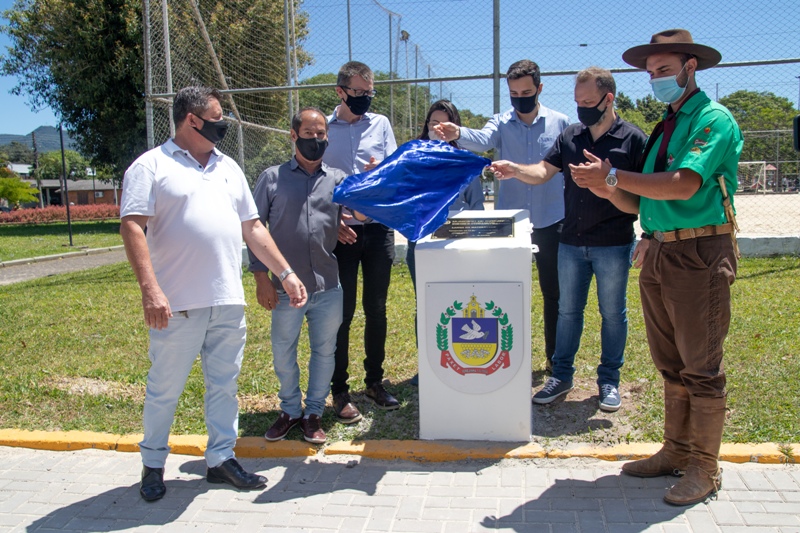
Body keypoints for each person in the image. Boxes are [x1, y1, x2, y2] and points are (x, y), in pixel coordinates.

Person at [570, 30, 743, 506]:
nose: (655, 79)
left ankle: (704, 468)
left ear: (691, 67)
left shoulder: (711, 119)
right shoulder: (666, 125)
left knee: (701, 366)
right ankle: (676, 450)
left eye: (664, 70)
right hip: (660, 250)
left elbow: (683, 184)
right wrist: (606, 189)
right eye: (650, 73)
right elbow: (639, 200)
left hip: (700, 252)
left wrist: (612, 174)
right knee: (671, 362)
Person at [120, 86, 307, 502]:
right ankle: (153, 464)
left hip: (227, 300)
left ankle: (221, 459)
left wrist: (285, 272)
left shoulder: (228, 167)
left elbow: (253, 227)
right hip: (177, 304)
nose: (224, 124)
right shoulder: (151, 166)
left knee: (224, 386)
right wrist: (150, 290)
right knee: (164, 388)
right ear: (192, 120)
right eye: (218, 118)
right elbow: (132, 225)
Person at [489, 67, 647, 412]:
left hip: (613, 243)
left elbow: (639, 204)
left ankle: (609, 380)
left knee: (612, 314)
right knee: (567, 312)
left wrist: (607, 184)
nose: (581, 109)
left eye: (588, 103)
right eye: (577, 102)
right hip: (571, 242)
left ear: (608, 99)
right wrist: (515, 169)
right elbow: (543, 172)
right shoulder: (571, 136)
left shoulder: (633, 139)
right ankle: (561, 376)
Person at [434, 59, 570, 372]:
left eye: (526, 92)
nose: (520, 98)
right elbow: (482, 140)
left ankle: (555, 360)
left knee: (555, 295)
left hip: (552, 219)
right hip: (512, 224)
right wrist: (458, 132)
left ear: (539, 88)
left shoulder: (561, 123)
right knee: (507, 292)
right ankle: (509, 360)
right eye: (513, 93)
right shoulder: (500, 123)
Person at [248, 107, 346, 445]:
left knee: (325, 351)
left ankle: (313, 413)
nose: (315, 140)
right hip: (285, 287)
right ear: (293, 136)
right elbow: (254, 229)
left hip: (328, 284)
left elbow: (359, 210)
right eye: (308, 134)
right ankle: (290, 410)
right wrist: (261, 277)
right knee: (283, 351)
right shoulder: (271, 178)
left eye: (321, 135)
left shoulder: (337, 179)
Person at [324, 61, 399, 424]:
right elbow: (316, 183)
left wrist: (379, 174)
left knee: (377, 309)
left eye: (369, 93)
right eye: (358, 93)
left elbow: (395, 173)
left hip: (378, 229)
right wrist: (333, 220)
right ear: (340, 92)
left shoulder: (380, 124)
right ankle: (339, 390)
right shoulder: (323, 129)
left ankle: (374, 382)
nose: (365, 99)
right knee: (342, 312)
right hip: (341, 232)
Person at [407, 99, 485, 385]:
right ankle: (428, 366)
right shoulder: (414, 159)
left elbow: (476, 208)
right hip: (422, 244)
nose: (438, 129)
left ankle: (458, 360)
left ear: (455, 127)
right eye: (433, 123)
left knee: (459, 303)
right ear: (426, 126)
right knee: (426, 304)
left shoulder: (466, 163)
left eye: (444, 124)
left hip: (458, 247)